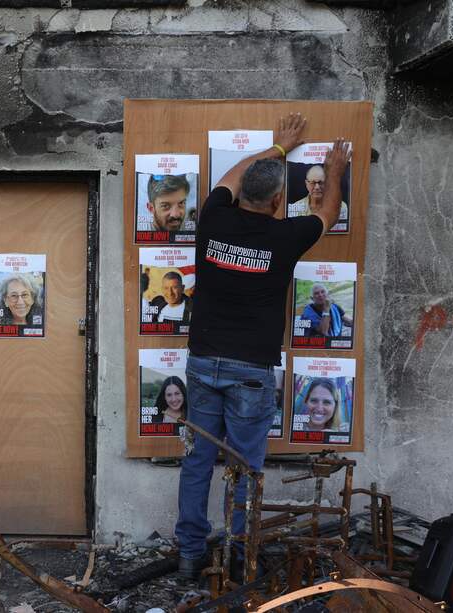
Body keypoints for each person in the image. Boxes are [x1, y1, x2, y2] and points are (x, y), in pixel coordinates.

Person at [175, 112, 351, 580]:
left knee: (197, 461)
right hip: (251, 371)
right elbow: (328, 214)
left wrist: (278, 148)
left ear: (240, 196)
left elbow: (230, 177)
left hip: (203, 363)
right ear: (278, 201)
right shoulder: (285, 235)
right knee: (245, 466)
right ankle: (238, 555)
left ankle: (189, 555)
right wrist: (335, 171)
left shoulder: (213, 217)